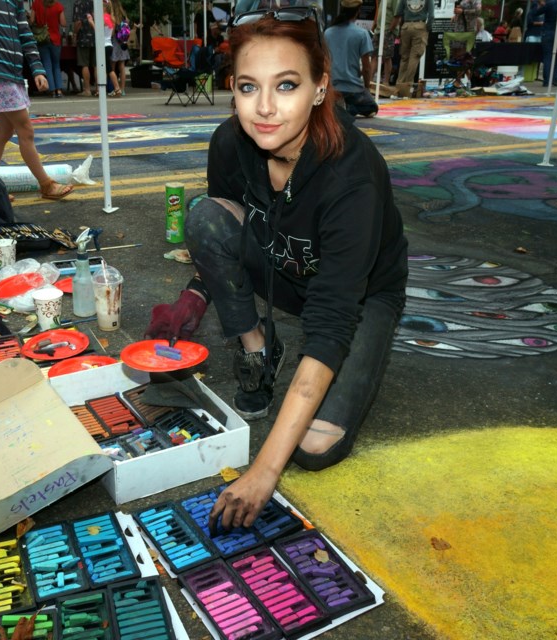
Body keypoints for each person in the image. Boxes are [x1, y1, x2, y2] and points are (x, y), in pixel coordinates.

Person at [143, 5, 408, 531]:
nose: (263, 108)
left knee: (313, 448)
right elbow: (221, 226)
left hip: (359, 295)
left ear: (318, 88)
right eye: (247, 87)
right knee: (201, 217)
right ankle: (259, 350)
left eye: (285, 85)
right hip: (282, 266)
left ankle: (312, 378)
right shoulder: (230, 142)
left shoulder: (352, 174)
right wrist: (198, 293)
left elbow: (333, 322)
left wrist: (264, 471)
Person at [0, 0, 74, 200]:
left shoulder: (14, 2)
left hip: (11, 73)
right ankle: (46, 185)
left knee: (2, 133)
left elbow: (25, 35)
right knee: (26, 130)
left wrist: (38, 69)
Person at [325, 0, 378, 118]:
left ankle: (339, 107)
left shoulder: (328, 33)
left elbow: (325, 62)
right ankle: (349, 108)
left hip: (333, 88)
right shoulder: (362, 34)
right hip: (353, 89)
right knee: (372, 108)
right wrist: (367, 88)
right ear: (358, 11)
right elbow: (366, 68)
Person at [390, 0, 435, 91]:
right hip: (419, 26)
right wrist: (427, 28)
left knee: (404, 57)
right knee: (414, 56)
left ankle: (399, 84)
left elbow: (398, 13)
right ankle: (407, 85)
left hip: (406, 26)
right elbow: (431, 16)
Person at [528, 0, 557, 86]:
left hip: (548, 32)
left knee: (548, 57)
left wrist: (538, 5)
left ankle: (547, 80)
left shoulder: (550, 3)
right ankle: (555, 78)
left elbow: (534, 13)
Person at [31, 0, 67, 98]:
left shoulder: (36, 4)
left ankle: (51, 90)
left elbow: (31, 20)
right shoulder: (58, 6)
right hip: (55, 39)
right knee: (56, 65)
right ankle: (59, 90)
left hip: (42, 38)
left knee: (47, 65)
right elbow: (63, 23)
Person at [102, 0, 130, 96]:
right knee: (122, 67)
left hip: (114, 42)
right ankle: (122, 89)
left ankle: (113, 88)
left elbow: (112, 32)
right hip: (122, 43)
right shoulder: (123, 15)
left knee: (111, 66)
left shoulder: (112, 16)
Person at [72, 0, 99, 96]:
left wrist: (75, 33)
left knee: (85, 64)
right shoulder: (95, 2)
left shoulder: (78, 3)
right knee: (96, 65)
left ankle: (87, 90)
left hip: (83, 38)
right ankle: (98, 89)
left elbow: (78, 22)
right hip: (96, 36)